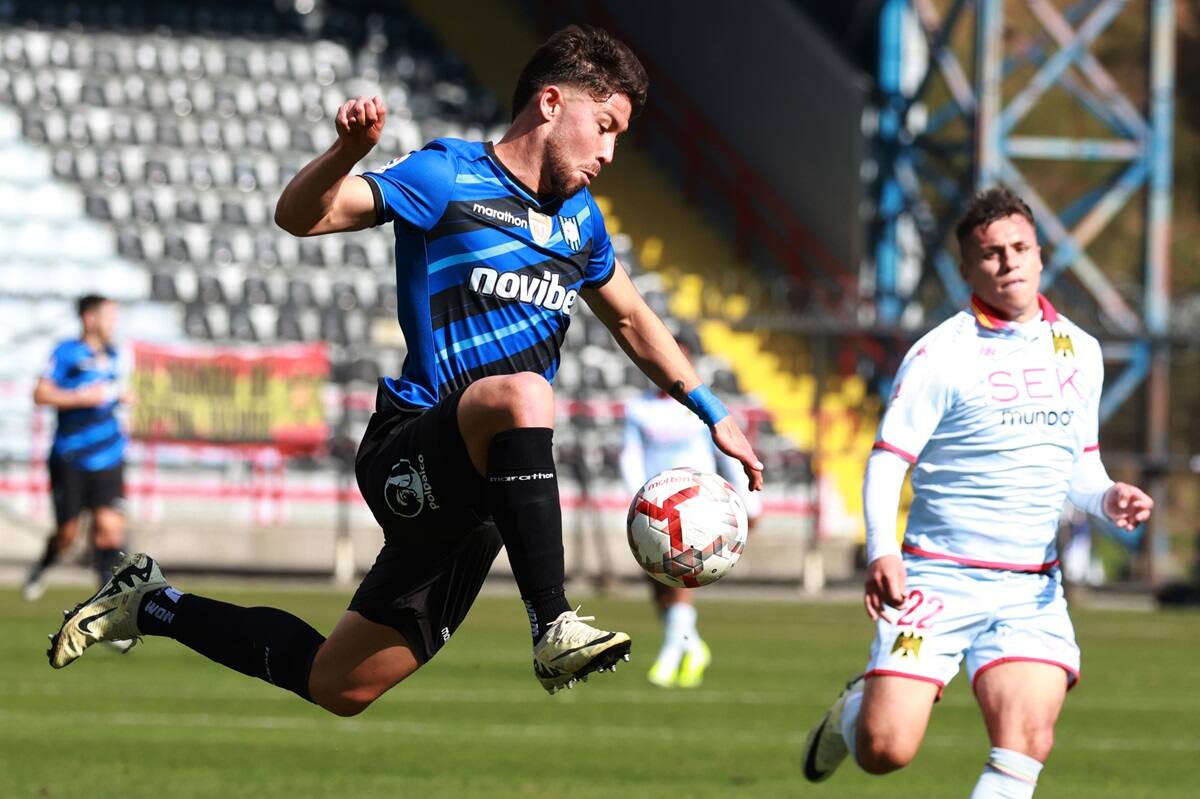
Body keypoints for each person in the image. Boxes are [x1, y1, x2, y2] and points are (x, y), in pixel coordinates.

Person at [46, 25, 764, 712]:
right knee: (523, 391)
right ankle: (553, 623)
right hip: (410, 449)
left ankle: (150, 601)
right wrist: (344, 151)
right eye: (606, 126)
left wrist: (717, 414)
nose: (611, 152)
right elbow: (301, 216)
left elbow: (634, 319)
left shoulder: (581, 222)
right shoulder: (446, 175)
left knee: (339, 684)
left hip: (482, 503)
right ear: (552, 103)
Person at [801, 187, 1153, 797]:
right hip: (937, 578)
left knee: (1026, 742)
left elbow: (1081, 466)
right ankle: (856, 711)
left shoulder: (1083, 351)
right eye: (991, 253)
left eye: (1020, 248)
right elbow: (888, 461)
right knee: (886, 750)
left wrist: (1107, 498)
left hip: (1029, 590)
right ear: (969, 270)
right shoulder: (941, 353)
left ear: (1041, 256)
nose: (1009, 262)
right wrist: (883, 551)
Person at [619, 339, 761, 688]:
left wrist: (749, 501)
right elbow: (630, 455)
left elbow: (726, 453)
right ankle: (692, 646)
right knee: (659, 585)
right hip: (655, 507)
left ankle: (670, 654)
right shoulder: (640, 409)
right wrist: (636, 497)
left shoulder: (702, 408)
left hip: (700, 509)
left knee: (680, 575)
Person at [24, 294, 131, 607]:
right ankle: (43, 564)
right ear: (89, 319)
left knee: (109, 530)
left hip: (110, 454)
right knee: (67, 536)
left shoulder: (114, 355)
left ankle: (107, 607)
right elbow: (41, 393)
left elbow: (109, 394)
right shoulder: (67, 352)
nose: (114, 324)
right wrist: (83, 397)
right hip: (71, 457)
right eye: (109, 317)